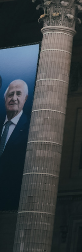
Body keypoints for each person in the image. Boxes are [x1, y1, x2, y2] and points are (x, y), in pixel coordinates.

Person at [0, 79, 31, 210]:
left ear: (25, 98)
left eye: (18, 94)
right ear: (5, 98)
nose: (14, 98)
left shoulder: (31, 127)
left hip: (14, 201)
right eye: (10, 94)